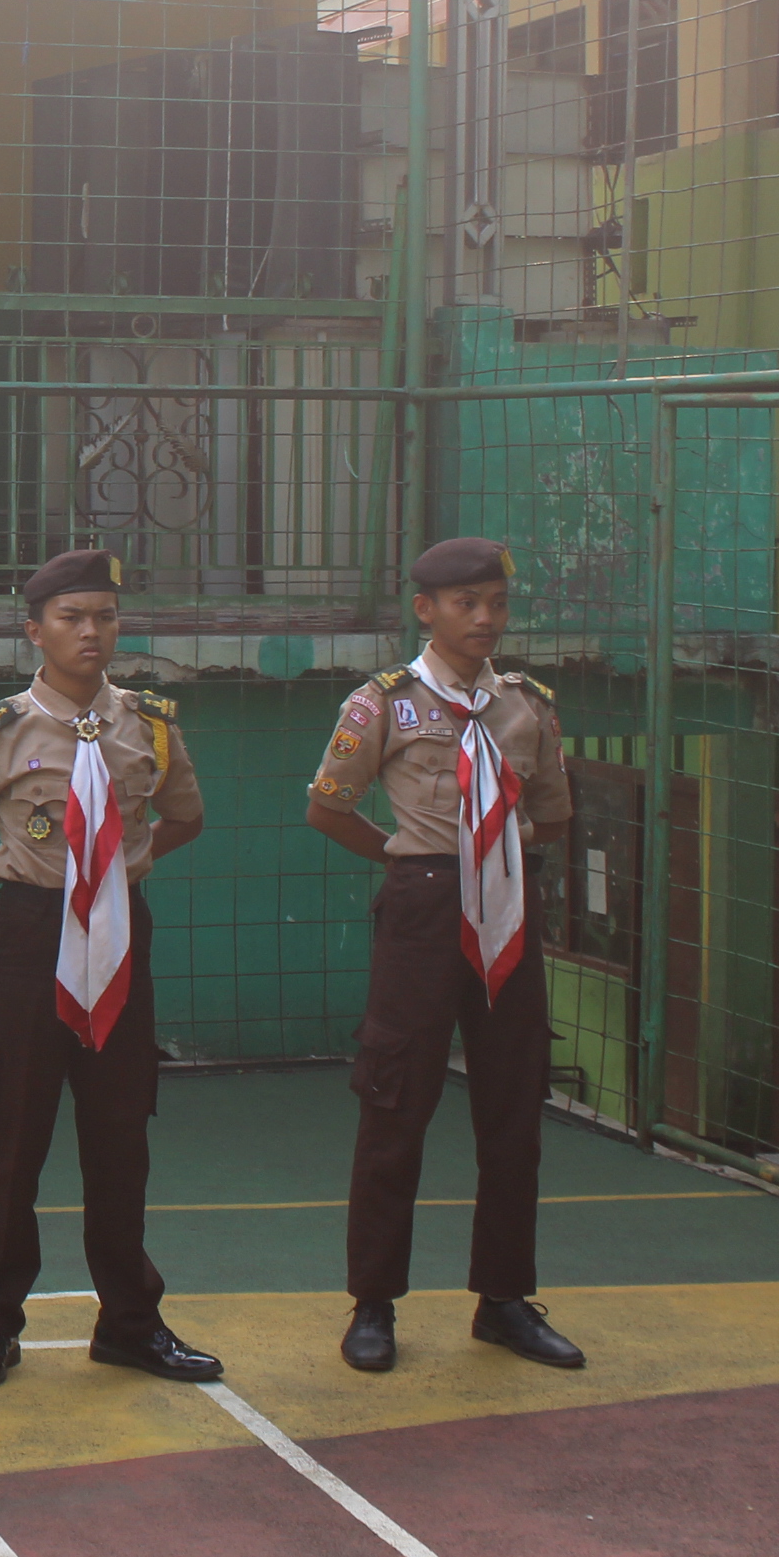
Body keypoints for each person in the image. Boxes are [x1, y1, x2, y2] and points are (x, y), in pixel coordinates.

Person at [0, 548, 223, 1391]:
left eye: (105, 617)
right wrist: (26, 876)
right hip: (30, 937)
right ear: (35, 631)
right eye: (71, 618)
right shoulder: (0, 732)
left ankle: (130, 1321)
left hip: (121, 933)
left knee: (121, 1135)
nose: (91, 632)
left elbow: (183, 816)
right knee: (14, 1136)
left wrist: (114, 877)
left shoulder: (151, 724)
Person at [307, 536, 583, 1374]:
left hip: (507, 904)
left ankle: (503, 1299)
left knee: (512, 1104)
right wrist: (413, 855)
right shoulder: (383, 704)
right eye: (466, 604)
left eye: (496, 603)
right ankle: (374, 1304)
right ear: (424, 610)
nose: (486, 619)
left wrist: (498, 854)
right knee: (396, 1102)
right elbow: (330, 808)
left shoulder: (528, 705)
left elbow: (555, 814)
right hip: (424, 908)